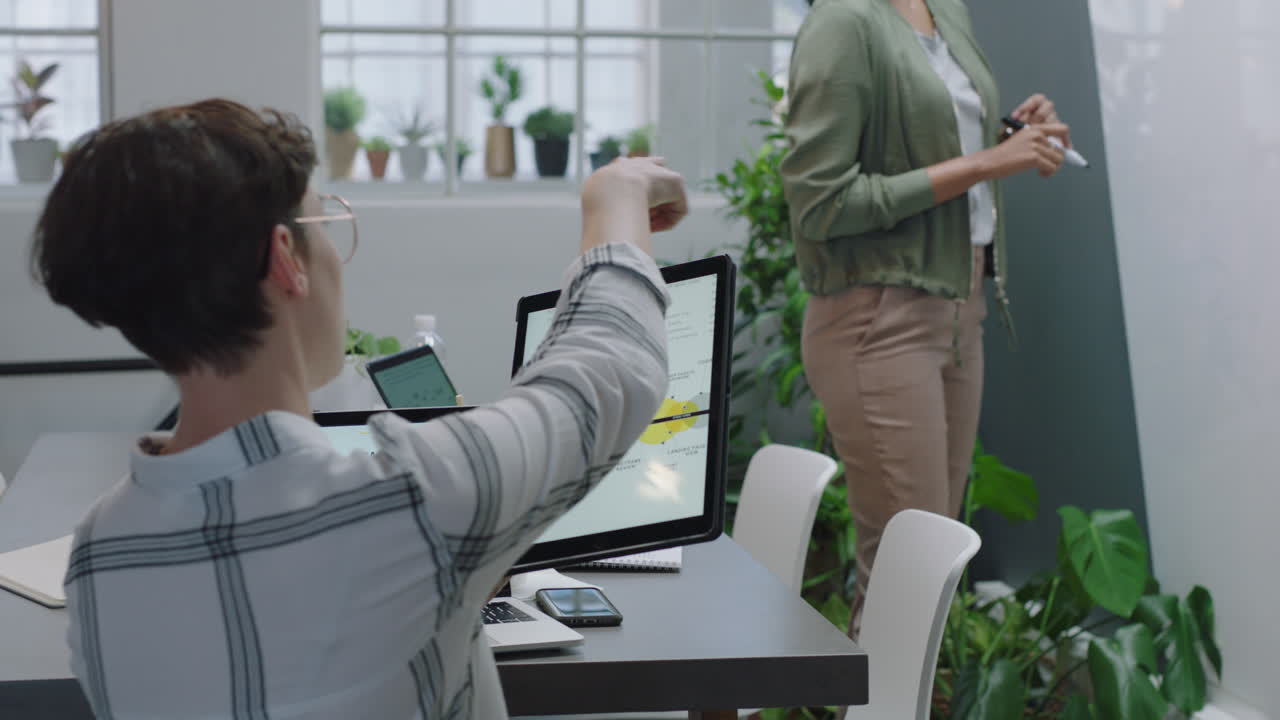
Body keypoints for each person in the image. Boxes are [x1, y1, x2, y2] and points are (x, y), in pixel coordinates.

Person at [31, 98, 688, 719]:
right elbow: (606, 368)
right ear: (286, 260)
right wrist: (617, 198)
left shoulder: (98, 557)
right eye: (325, 226)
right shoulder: (414, 500)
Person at [780, 0, 1072, 637]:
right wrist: (990, 164)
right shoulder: (843, 21)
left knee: (933, 569)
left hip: (958, 306)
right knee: (904, 576)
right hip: (877, 315)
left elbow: (927, 140)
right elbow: (821, 204)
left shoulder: (945, 10)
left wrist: (1010, 137)